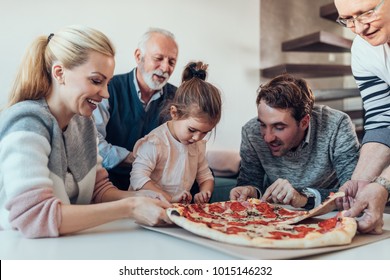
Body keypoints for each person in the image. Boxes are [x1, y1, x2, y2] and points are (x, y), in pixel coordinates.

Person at [0, 25, 172, 239]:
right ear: (59, 73)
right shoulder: (26, 122)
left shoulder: (83, 123)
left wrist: (143, 196)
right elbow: (36, 217)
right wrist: (130, 206)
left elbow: (98, 191)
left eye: (107, 83)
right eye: (96, 81)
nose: (107, 94)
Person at [229, 74, 360, 210]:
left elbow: (352, 193)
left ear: (304, 122)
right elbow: (250, 183)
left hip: (328, 216)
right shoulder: (251, 132)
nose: (267, 137)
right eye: (262, 125)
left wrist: (303, 198)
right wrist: (250, 191)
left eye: (279, 127)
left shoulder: (337, 125)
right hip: (274, 217)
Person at [93, 27, 179, 190]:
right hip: (110, 184)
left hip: (159, 185)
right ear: (139, 57)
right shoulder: (108, 89)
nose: (165, 67)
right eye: (158, 58)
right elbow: (93, 143)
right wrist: (136, 159)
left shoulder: (177, 97)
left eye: (172, 62)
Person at [334, 0, 390, 233]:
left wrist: (382, 184)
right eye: (348, 19)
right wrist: (360, 180)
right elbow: (381, 118)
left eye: (366, 14)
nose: (359, 29)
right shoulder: (363, 49)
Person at [129, 62, 222, 203]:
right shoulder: (156, 142)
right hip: (145, 208)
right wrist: (170, 199)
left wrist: (204, 192)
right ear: (174, 113)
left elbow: (206, 177)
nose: (197, 137)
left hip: (176, 211)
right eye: (192, 130)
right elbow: (138, 178)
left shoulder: (197, 145)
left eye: (205, 132)